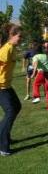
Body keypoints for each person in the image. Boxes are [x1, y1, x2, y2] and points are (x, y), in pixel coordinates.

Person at [0, 24, 22, 156]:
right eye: (19, 36)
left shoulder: (13, 48)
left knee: (17, 107)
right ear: (12, 35)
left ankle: (4, 134)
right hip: (0, 87)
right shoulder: (5, 50)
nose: (21, 39)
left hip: (7, 86)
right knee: (10, 111)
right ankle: (3, 146)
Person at [31, 43, 48, 112]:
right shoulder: (47, 56)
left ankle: (37, 96)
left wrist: (33, 74)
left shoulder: (36, 56)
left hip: (41, 72)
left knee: (36, 84)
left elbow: (35, 65)